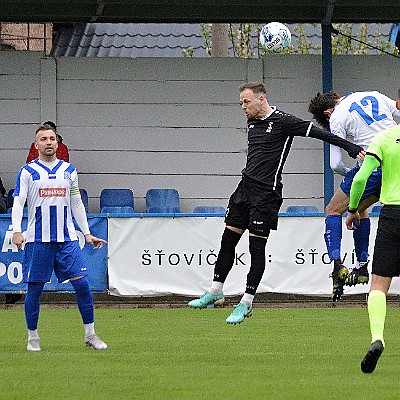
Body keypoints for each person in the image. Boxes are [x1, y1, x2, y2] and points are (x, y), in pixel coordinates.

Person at [188, 82, 365, 324]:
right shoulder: (252, 123)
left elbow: (320, 133)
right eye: (241, 102)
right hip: (244, 190)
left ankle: (246, 302)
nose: (243, 106)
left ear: (261, 99)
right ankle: (216, 290)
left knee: (255, 249)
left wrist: (352, 148)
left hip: (266, 195)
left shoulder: (284, 121)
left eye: (246, 101)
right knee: (227, 240)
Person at [12, 123, 107, 351]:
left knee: (83, 285)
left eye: (52, 138)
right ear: (36, 145)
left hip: (66, 239)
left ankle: (90, 334)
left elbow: (76, 202)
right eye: (43, 139)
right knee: (34, 290)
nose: (48, 142)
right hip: (37, 240)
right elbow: (18, 201)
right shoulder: (28, 171)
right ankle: (33, 338)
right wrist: (17, 229)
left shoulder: (69, 170)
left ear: (57, 143)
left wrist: (86, 232)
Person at [308, 91, 400, 301]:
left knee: (333, 209)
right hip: (395, 163)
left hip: (373, 166)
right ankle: (361, 266)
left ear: (327, 112)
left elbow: (335, 164)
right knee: (359, 208)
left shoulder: (337, 116)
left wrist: (351, 172)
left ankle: (337, 264)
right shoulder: (373, 95)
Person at [345, 123, 400, 373]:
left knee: (379, 285)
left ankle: (377, 337)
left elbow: (360, 178)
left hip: (393, 215)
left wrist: (353, 209)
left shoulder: (385, 137)